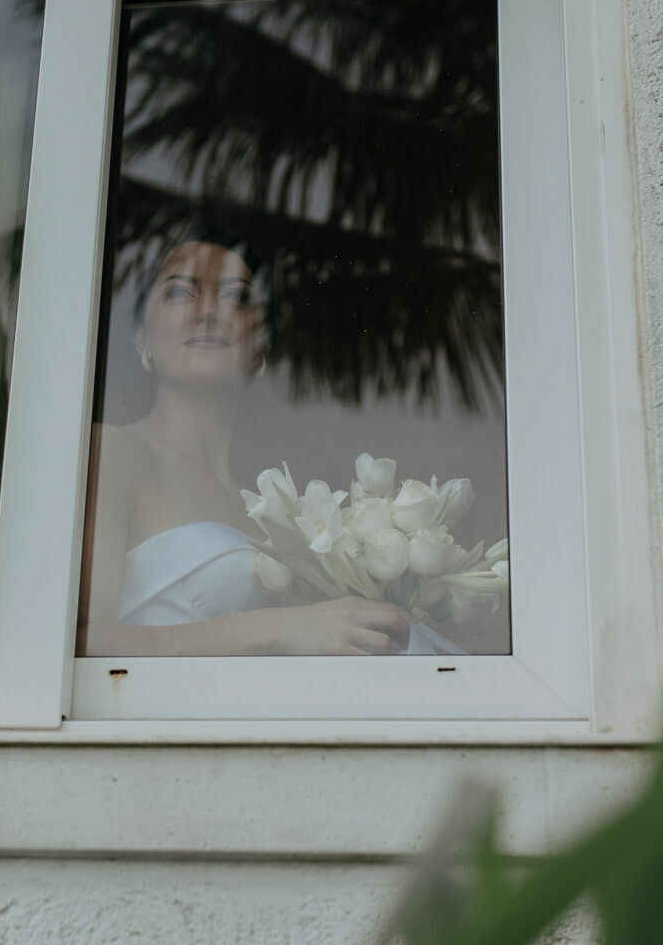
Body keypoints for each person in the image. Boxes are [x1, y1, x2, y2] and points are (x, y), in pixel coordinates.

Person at [76, 230, 418, 657]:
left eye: (236, 297)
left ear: (260, 349)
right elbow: (75, 641)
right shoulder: (113, 452)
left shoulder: (279, 511)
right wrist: (277, 628)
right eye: (181, 291)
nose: (207, 311)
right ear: (144, 338)